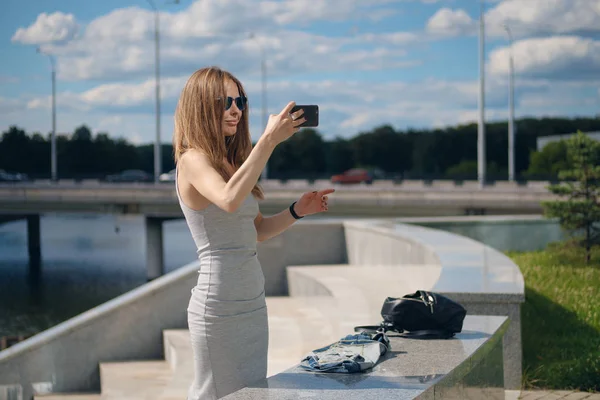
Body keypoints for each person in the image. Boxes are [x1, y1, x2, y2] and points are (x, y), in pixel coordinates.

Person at [172, 66, 335, 400]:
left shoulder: (230, 163)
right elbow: (229, 200)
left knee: (252, 394)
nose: (236, 109)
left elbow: (256, 230)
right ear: (201, 105)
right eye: (226, 101)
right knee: (215, 394)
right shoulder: (192, 159)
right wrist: (270, 140)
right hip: (219, 306)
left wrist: (297, 210)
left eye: (240, 100)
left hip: (251, 303)